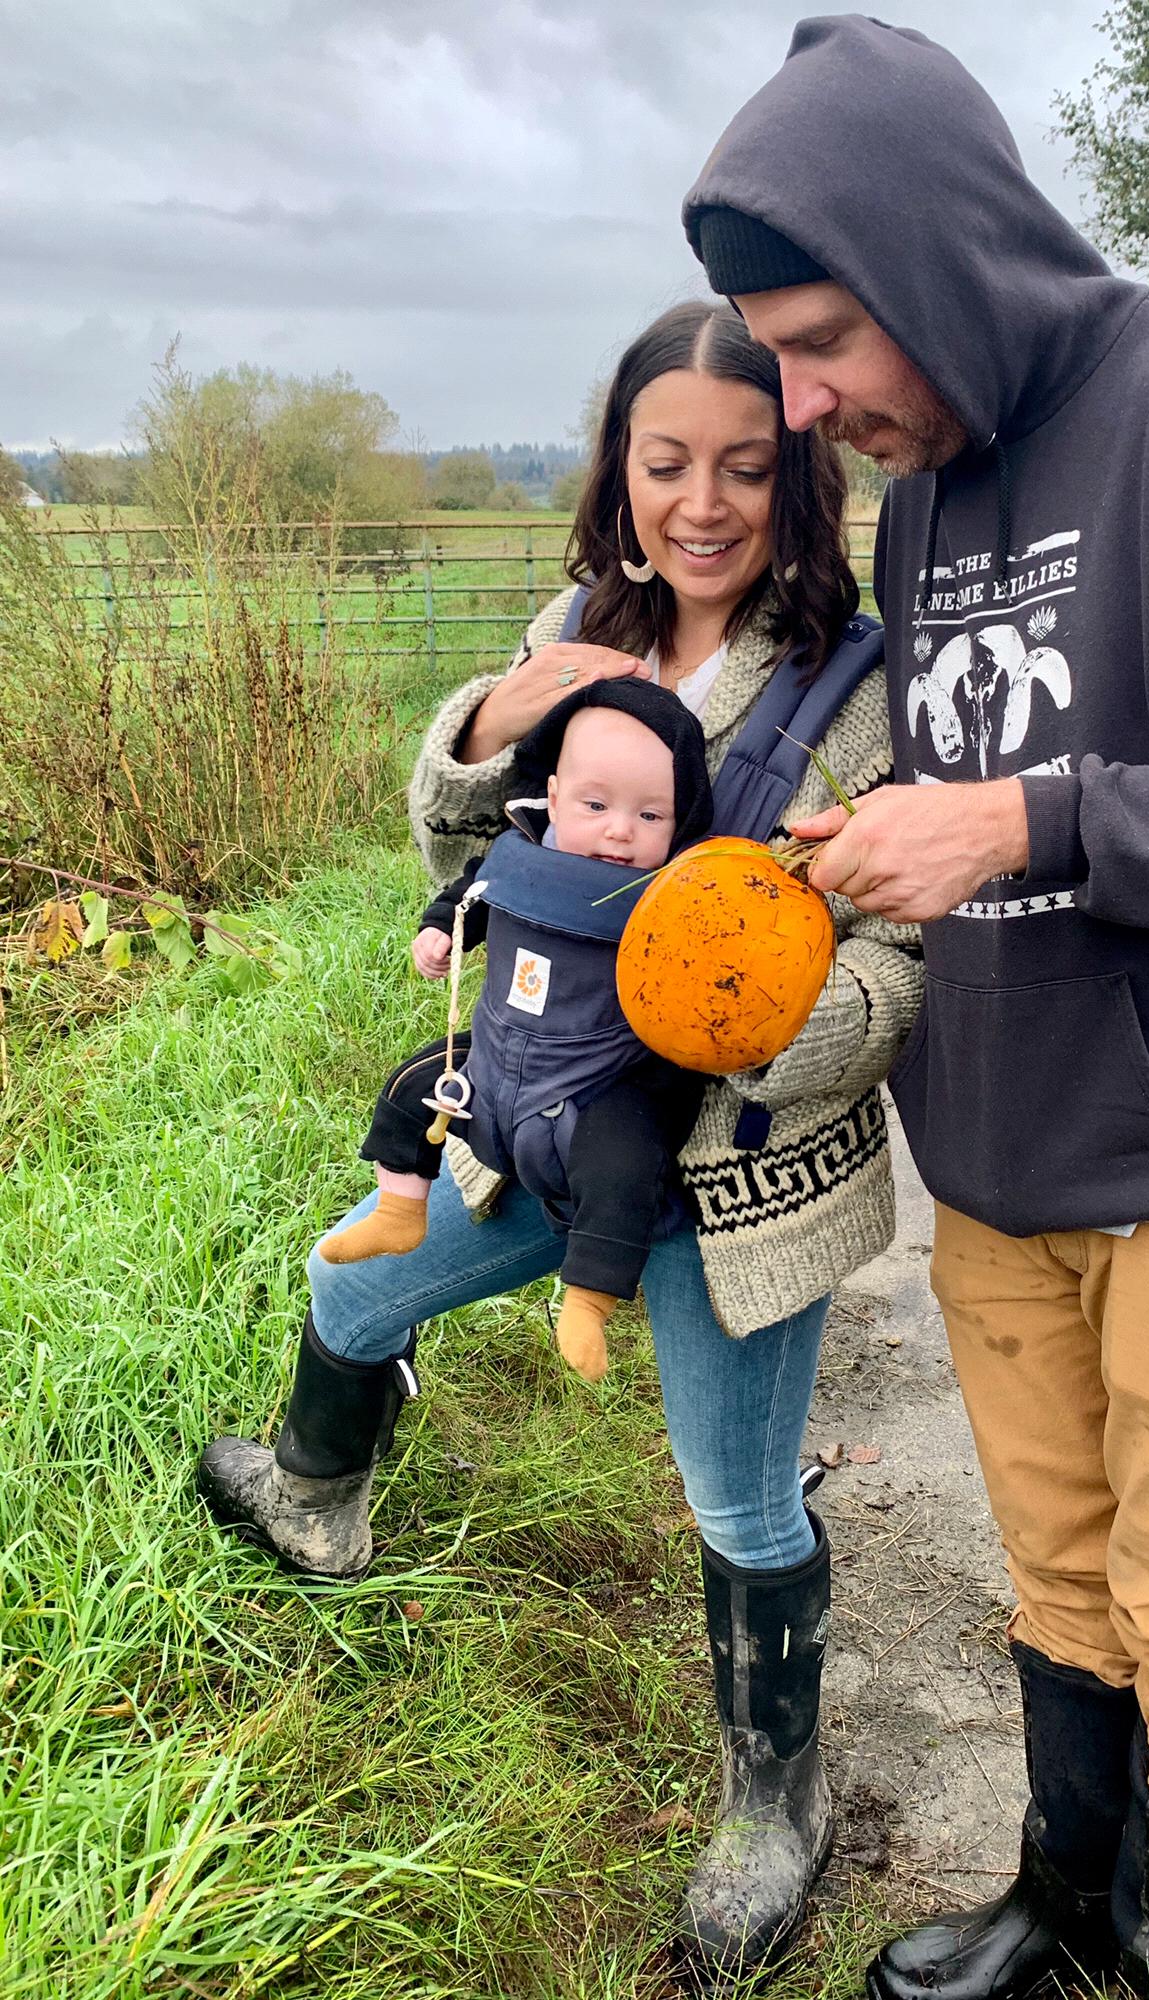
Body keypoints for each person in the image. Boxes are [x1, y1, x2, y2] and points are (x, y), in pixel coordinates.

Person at [683, 20, 1149, 2000]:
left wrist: (1020, 815)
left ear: (948, 255)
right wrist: (902, 843)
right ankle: (1067, 1902)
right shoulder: (933, 485)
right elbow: (991, 780)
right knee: (1063, 1565)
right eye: (772, 346)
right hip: (1008, 1152)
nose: (801, 397)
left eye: (828, 335)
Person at [196, 299, 924, 1981]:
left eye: (748, 467)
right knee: (351, 1290)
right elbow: (460, 832)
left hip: (736, 1179)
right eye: (666, 462)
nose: (704, 502)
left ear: (799, 479)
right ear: (620, 470)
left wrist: (750, 1029)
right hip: (538, 1131)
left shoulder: (854, 692)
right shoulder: (580, 624)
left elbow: (898, 964)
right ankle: (322, 1503)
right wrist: (496, 703)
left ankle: (774, 1802)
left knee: (737, 1500)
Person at [316, 680, 715, 1385]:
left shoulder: (672, 893)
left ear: (679, 823)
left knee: (626, 1161)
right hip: (494, 1068)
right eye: (596, 806)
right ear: (554, 797)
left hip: (593, 1088)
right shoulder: (517, 849)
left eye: (650, 815)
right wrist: (439, 931)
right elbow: (469, 891)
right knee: (414, 1083)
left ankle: (590, 1297)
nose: (620, 831)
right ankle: (400, 1208)